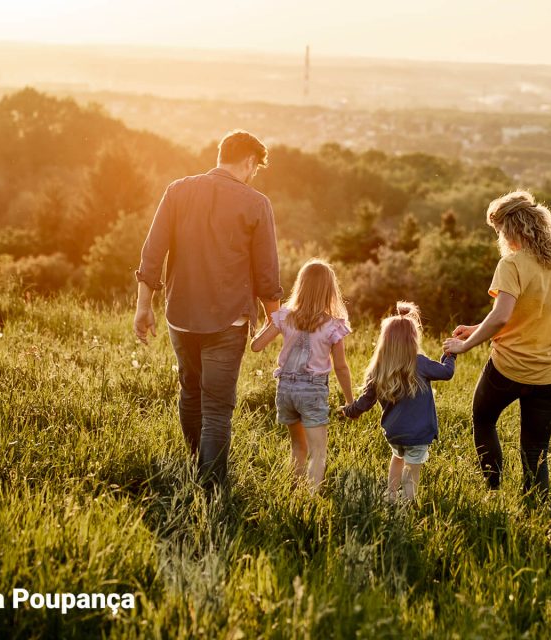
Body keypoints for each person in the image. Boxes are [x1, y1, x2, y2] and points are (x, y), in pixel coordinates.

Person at [133, 130, 282, 487]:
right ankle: (212, 489)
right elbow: (266, 272)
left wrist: (143, 307)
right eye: (254, 169)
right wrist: (275, 317)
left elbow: (152, 253)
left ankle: (194, 464)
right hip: (227, 322)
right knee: (217, 408)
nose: (253, 176)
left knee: (190, 392)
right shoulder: (256, 203)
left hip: (180, 316)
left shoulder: (177, 190)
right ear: (248, 161)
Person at [442, 190, 551, 499]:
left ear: (512, 228)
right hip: (548, 373)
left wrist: (465, 345)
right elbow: (530, 314)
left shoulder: (512, 264)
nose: (500, 238)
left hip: (508, 369)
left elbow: (501, 317)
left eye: (499, 232)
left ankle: (493, 490)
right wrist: (476, 328)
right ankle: (538, 511)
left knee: (483, 419)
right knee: (535, 449)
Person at [250, 259, 355, 493]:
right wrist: (350, 401)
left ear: (301, 285)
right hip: (312, 391)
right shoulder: (333, 325)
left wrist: (262, 325)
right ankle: (311, 498)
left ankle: (294, 492)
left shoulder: (285, 316)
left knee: (298, 447)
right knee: (319, 452)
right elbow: (341, 367)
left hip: (286, 390)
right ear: (330, 290)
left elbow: (256, 346)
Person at [343, 302, 456, 502]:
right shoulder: (420, 362)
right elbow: (446, 372)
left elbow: (365, 402)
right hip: (419, 432)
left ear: (385, 341)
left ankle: (391, 494)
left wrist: (350, 410)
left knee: (398, 457)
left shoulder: (379, 368)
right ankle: (408, 501)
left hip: (394, 432)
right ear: (413, 339)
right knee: (413, 468)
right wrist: (450, 355)